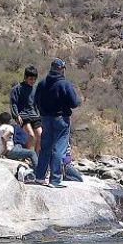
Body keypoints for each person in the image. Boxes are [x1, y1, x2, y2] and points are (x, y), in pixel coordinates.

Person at [34, 58, 81, 188]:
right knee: (59, 149)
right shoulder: (64, 84)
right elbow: (74, 103)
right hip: (61, 119)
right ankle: (54, 180)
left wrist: (42, 112)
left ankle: (39, 177)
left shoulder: (42, 83)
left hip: (45, 118)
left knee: (45, 148)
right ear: (60, 69)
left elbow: (35, 100)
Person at [10, 66, 42, 151]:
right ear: (25, 77)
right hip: (23, 115)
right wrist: (16, 115)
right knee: (31, 135)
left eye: (34, 79)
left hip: (34, 115)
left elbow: (38, 103)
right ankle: (26, 154)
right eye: (31, 79)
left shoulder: (36, 88)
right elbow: (13, 103)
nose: (33, 81)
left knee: (40, 134)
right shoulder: (17, 89)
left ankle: (36, 155)